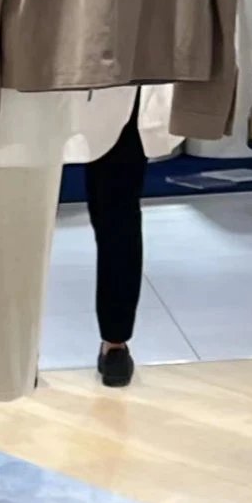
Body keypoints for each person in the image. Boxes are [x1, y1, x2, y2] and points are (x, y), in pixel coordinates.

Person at [85, 96, 148, 389]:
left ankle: (20, 352)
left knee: (118, 207)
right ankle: (115, 344)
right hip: (121, 82)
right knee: (118, 206)